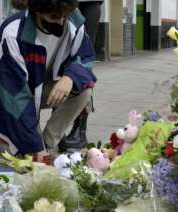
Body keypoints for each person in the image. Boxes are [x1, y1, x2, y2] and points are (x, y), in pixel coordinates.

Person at [0, 0, 97, 163]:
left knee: (84, 90)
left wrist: (70, 77)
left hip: (43, 87)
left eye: (64, 16)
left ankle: (49, 144)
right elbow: (17, 99)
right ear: (37, 12)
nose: (61, 22)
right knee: (21, 155)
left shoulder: (73, 21)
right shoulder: (14, 33)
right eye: (54, 17)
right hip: (8, 96)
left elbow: (86, 57)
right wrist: (34, 148)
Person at [58, 0, 104, 152]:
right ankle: (59, 127)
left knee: (81, 64)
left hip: (89, 3)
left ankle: (80, 129)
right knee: (59, 61)